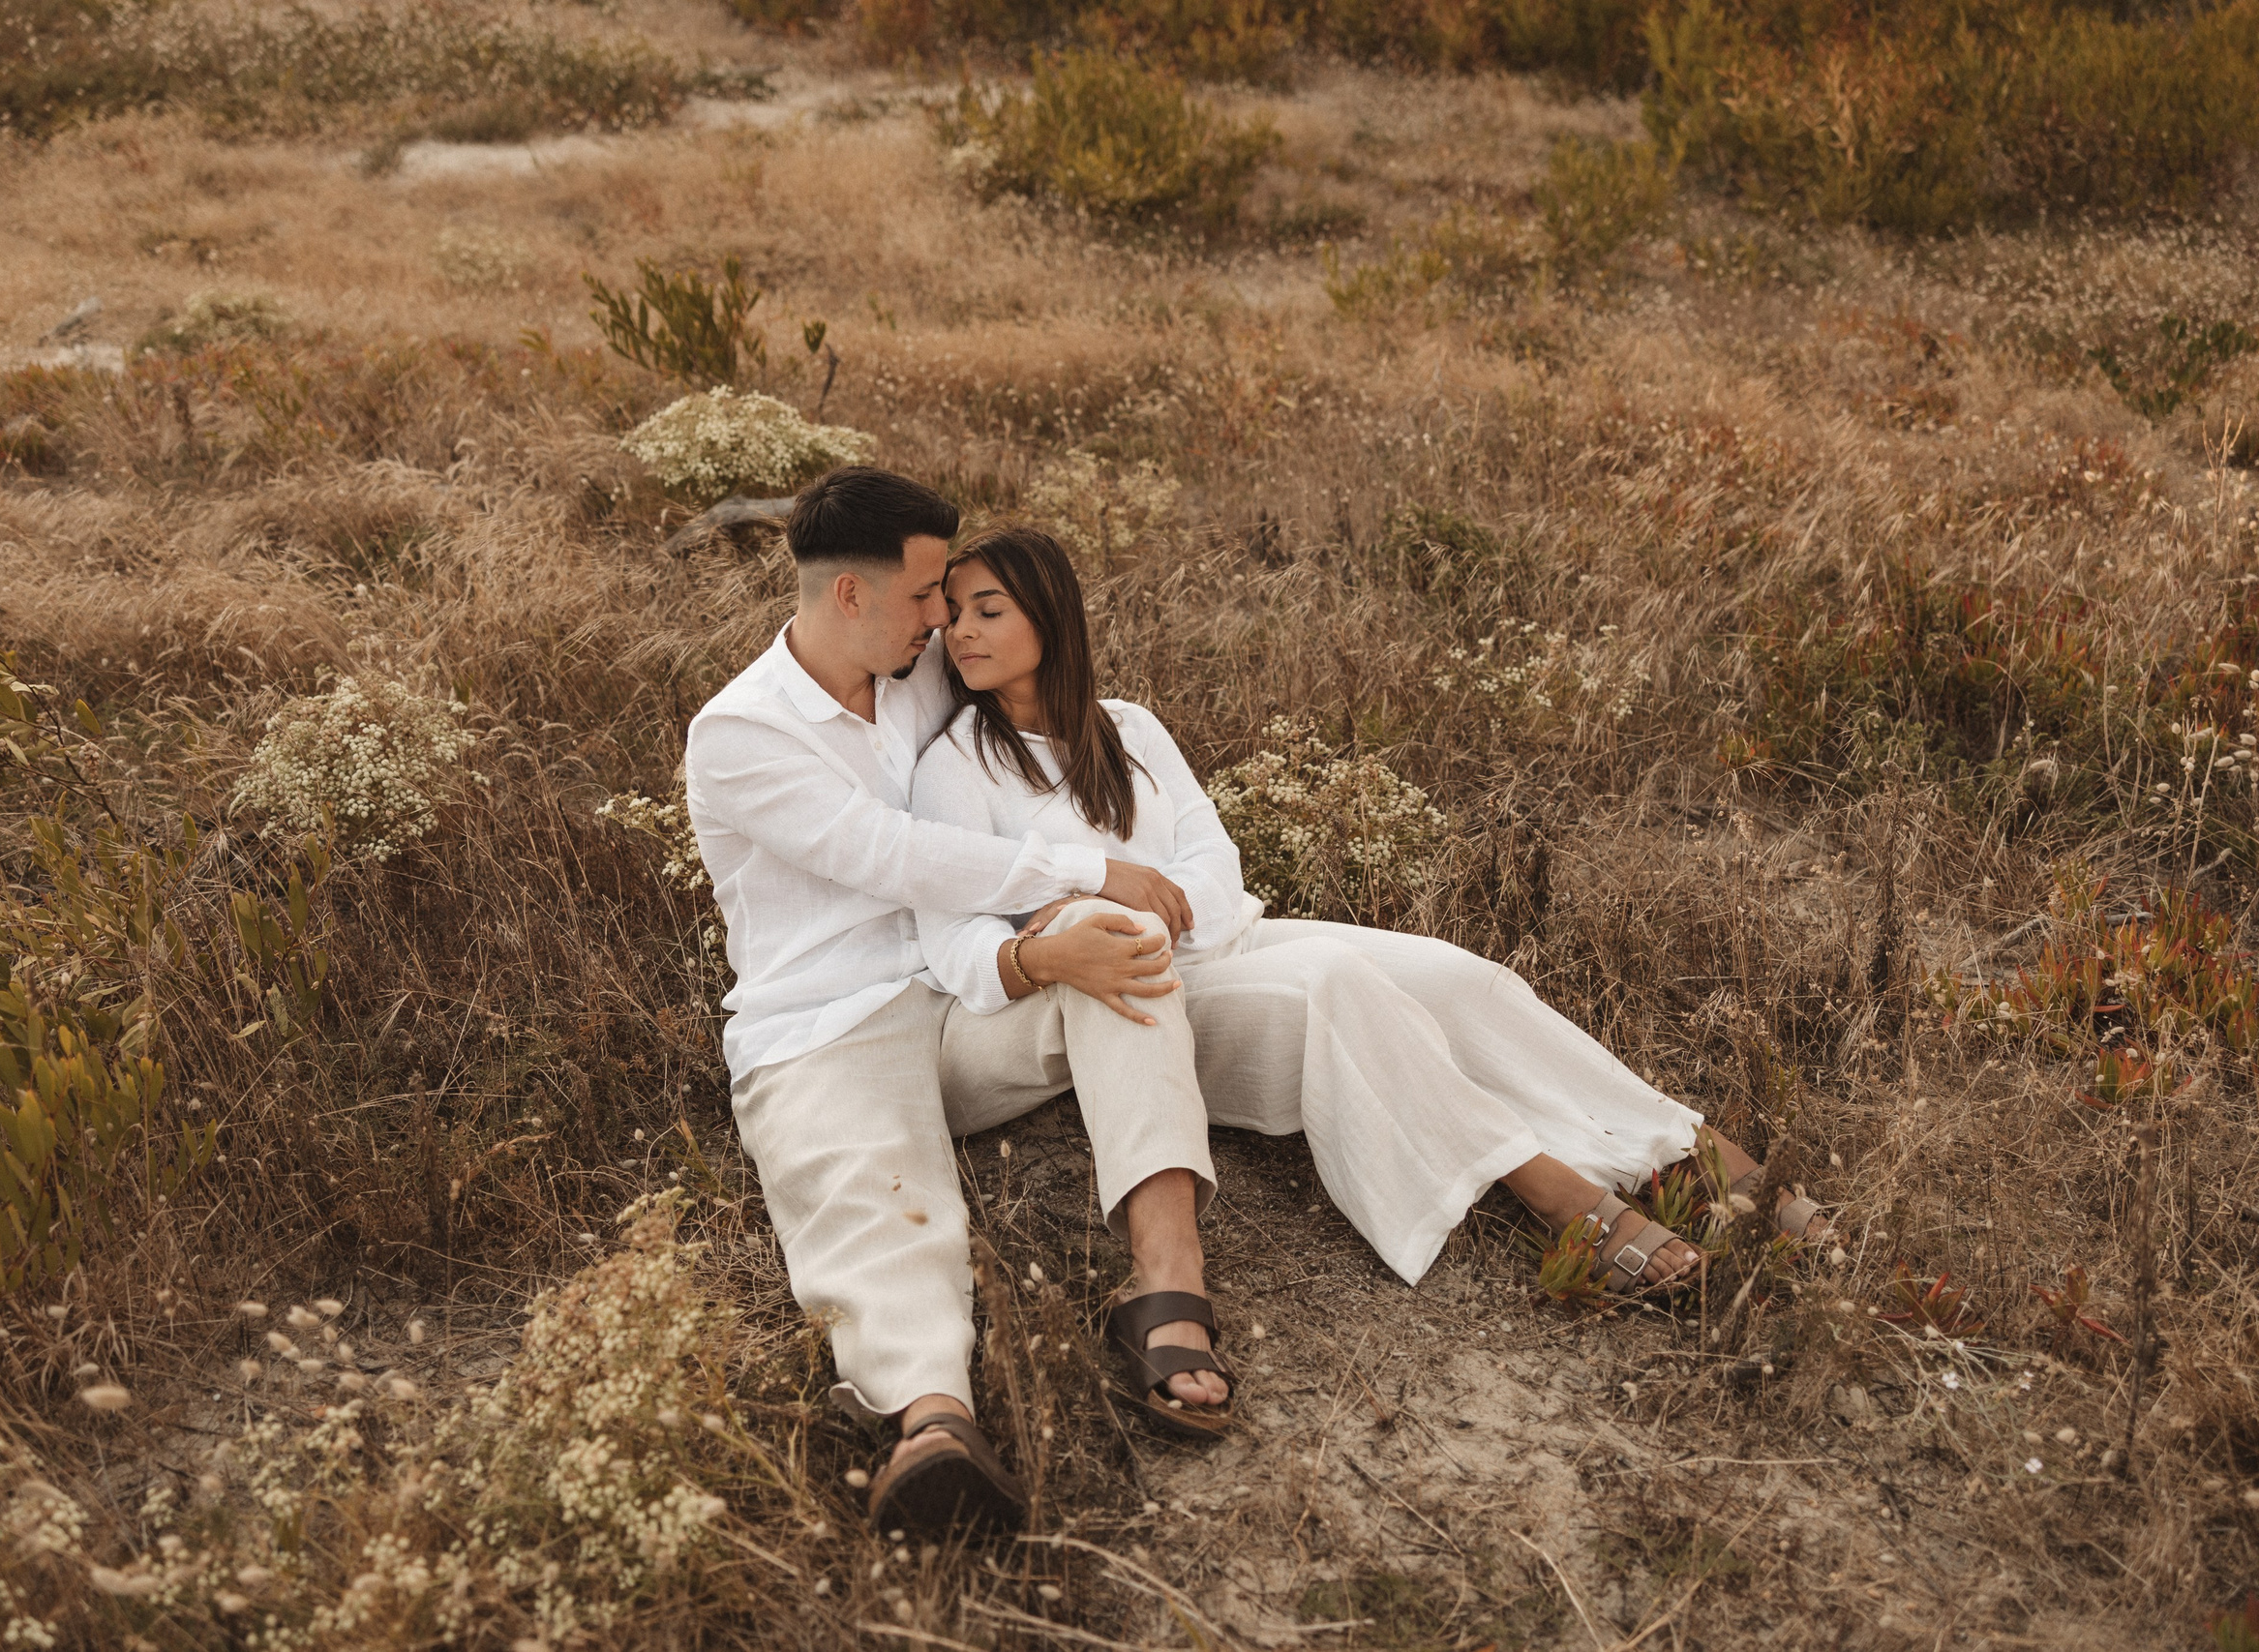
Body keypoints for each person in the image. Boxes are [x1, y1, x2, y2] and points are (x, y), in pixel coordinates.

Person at [910, 526, 1832, 1393]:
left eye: (988, 609)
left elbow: (1213, 865)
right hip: (1120, 989)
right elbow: (954, 945)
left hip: (1221, 942)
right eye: (953, 613)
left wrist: (1164, 903)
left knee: (1459, 976)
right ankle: (1556, 1191)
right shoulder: (957, 760)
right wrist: (1091, 918)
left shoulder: (1130, 729)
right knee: (1332, 981)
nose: (961, 632)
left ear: (1051, 616)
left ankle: (1681, 1154)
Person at [683, 468, 1240, 1538]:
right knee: (870, 1189)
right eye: (929, 592)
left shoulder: (917, 666)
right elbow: (891, 854)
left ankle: (1168, 1290)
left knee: (1113, 950)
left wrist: (1096, 905)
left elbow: (1025, 693)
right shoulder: (742, 733)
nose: (945, 619)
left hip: (959, 995)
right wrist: (1086, 866)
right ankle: (935, 1424)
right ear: (852, 596)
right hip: (829, 1021)